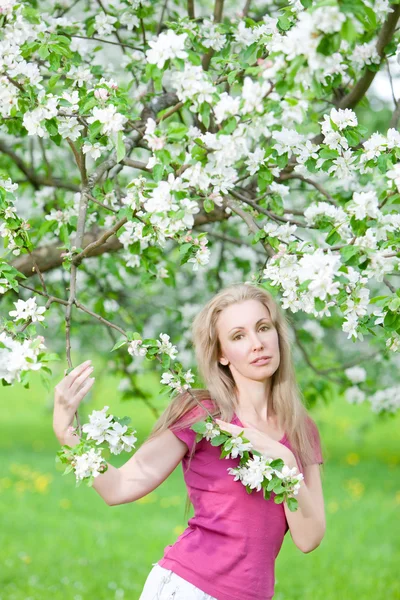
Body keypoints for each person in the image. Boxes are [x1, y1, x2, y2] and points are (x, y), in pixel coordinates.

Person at [53, 283, 325, 600]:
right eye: (239, 336)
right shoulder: (203, 415)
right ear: (222, 354)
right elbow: (119, 487)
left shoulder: (301, 429)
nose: (257, 344)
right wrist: (66, 435)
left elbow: (309, 538)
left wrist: (285, 460)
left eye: (263, 328)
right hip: (189, 589)